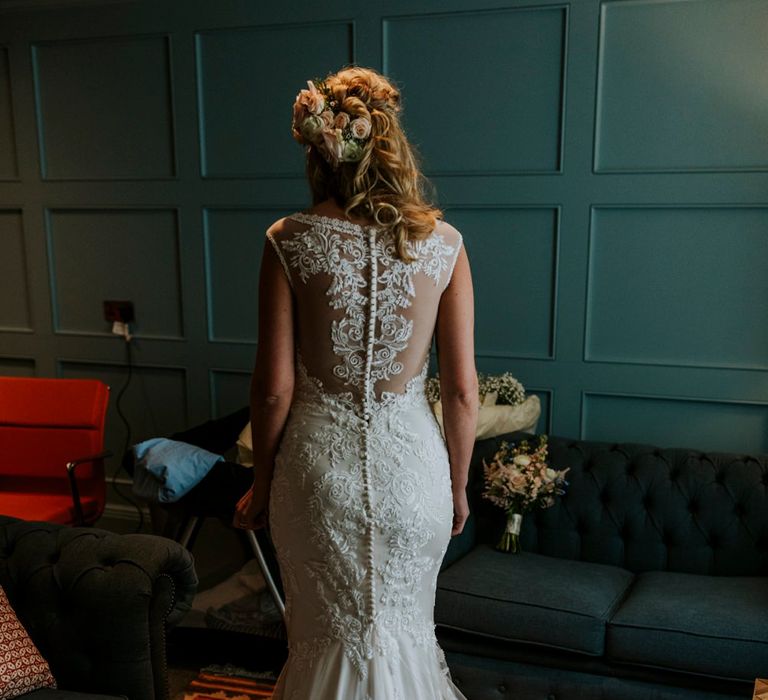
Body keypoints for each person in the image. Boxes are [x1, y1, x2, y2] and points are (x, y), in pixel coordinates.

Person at [233, 66, 478, 699]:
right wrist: (457, 486)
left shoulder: (289, 240)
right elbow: (460, 392)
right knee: (407, 639)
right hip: (415, 472)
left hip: (317, 474)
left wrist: (260, 486)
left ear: (319, 151)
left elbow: (273, 390)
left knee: (325, 641)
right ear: (389, 143)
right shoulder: (444, 244)